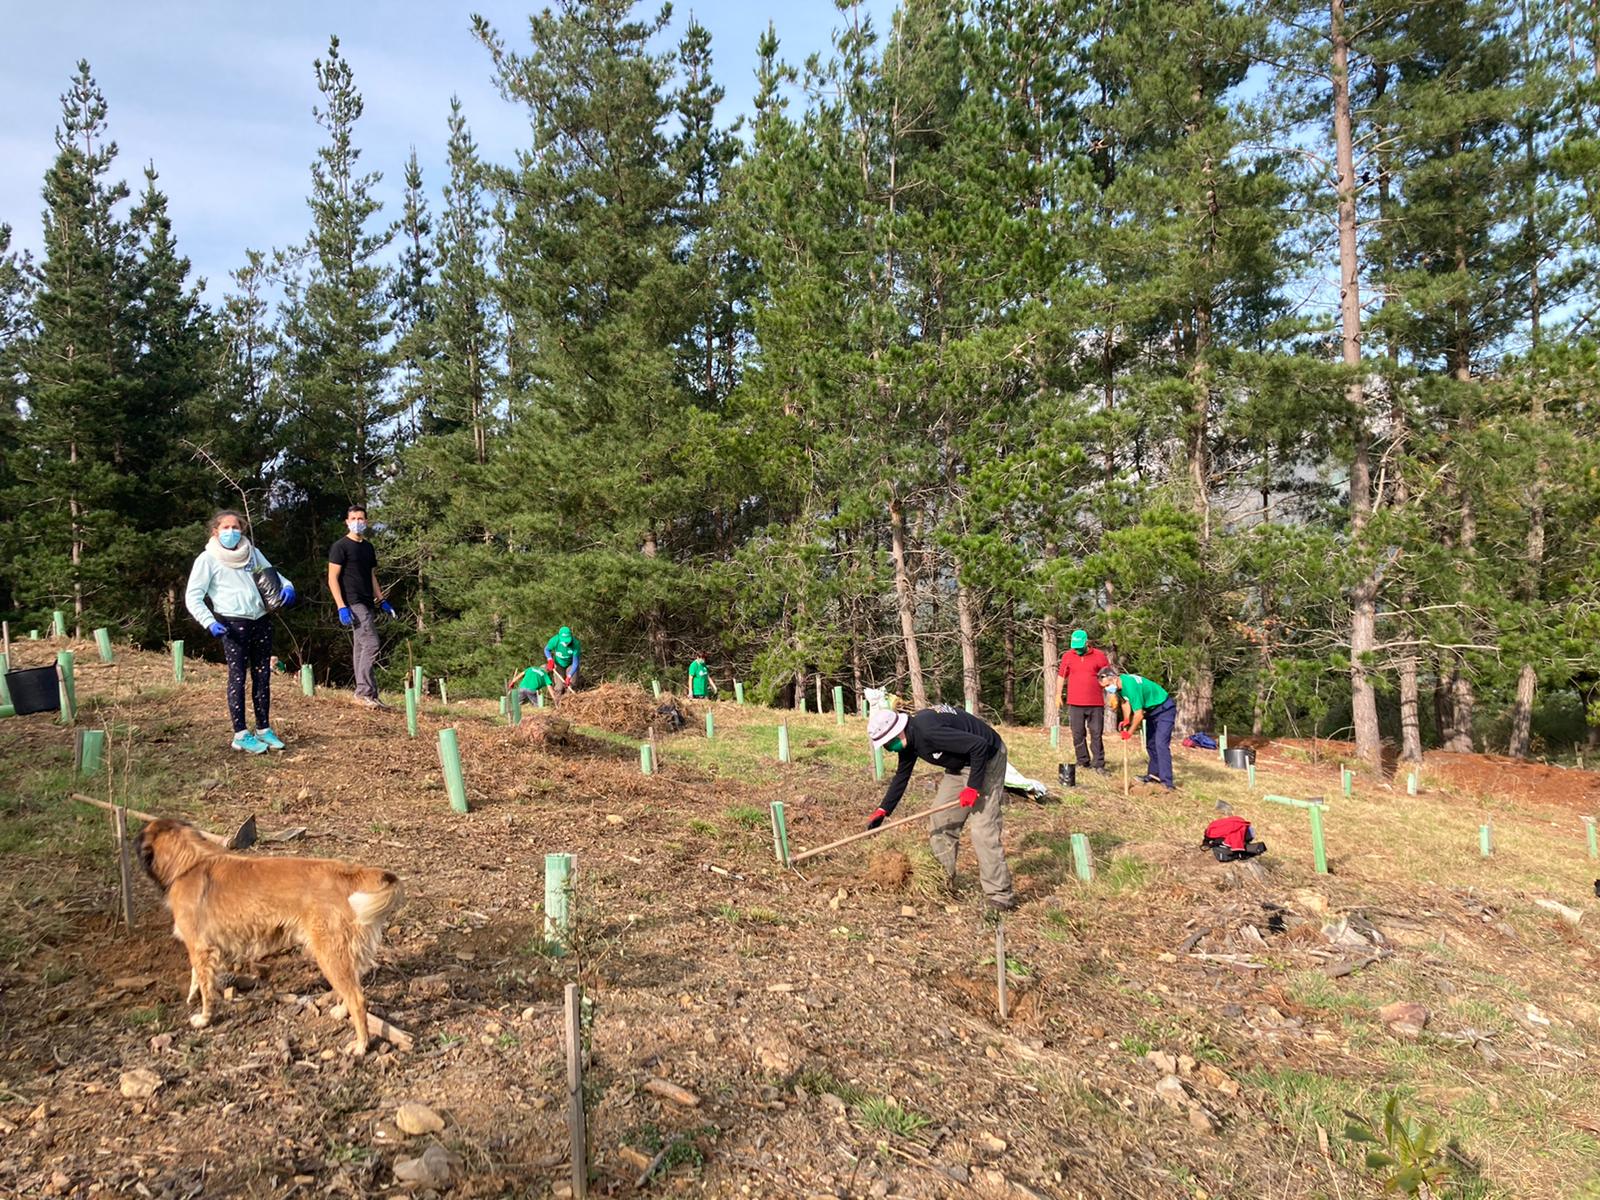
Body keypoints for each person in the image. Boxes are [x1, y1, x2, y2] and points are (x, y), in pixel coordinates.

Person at [866, 705, 1016, 911]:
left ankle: (1000, 896)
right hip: (959, 764)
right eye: (885, 746)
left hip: (986, 758)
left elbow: (979, 746)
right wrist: (884, 809)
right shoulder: (909, 739)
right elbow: (902, 775)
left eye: (889, 743)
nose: (888, 748)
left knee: (982, 828)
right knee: (941, 820)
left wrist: (972, 787)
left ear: (897, 730)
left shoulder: (928, 732)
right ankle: (942, 882)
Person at [184, 510, 296, 754]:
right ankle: (240, 734)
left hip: (261, 620)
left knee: (262, 675)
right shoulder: (207, 559)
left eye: (236, 527)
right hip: (233, 623)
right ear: (215, 531)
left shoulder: (252, 553)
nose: (231, 531)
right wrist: (209, 621)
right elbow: (193, 596)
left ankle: (264, 728)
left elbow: (274, 574)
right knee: (237, 677)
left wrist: (287, 587)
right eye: (225, 527)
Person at [327, 504, 395, 709]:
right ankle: (363, 691)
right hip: (353, 602)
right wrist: (341, 606)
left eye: (361, 518)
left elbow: (371, 575)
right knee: (372, 644)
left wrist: (382, 599)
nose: (358, 522)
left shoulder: (368, 547)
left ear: (366, 521)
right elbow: (332, 578)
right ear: (347, 522)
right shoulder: (340, 546)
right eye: (353, 519)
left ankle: (370, 694)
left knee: (361, 647)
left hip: (367, 601)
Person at [1100, 665, 1177, 790]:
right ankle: (1153, 776)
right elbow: (1125, 702)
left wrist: (1129, 732)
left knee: (1161, 744)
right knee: (1151, 745)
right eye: (1104, 687)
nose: (1107, 689)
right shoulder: (1121, 685)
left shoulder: (1130, 686)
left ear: (1113, 679)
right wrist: (1126, 720)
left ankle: (1167, 783)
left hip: (1164, 709)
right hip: (1152, 712)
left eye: (1107, 685)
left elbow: (1139, 715)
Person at [1055, 628, 1111, 774]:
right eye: (1075, 647)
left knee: (1096, 733)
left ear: (1087, 643)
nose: (1077, 650)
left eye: (1080, 647)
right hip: (1075, 702)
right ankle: (1082, 760)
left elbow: (1108, 677)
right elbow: (1061, 676)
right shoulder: (1068, 656)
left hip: (1095, 703)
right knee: (1077, 733)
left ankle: (1098, 763)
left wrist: (1112, 696)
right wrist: (1057, 694)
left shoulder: (1099, 656)